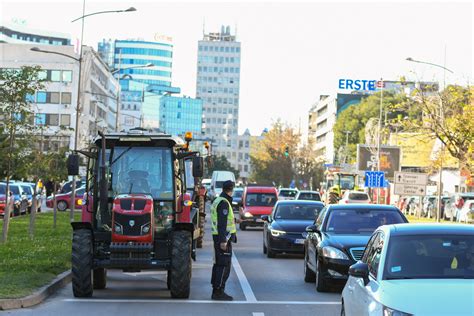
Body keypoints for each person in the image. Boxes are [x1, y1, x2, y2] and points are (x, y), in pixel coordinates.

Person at [210, 180, 237, 301]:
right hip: (223, 237)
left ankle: (216, 289)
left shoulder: (218, 200)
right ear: (231, 189)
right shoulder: (224, 203)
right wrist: (223, 241)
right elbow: (222, 223)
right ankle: (218, 291)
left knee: (218, 264)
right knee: (223, 265)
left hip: (219, 236)